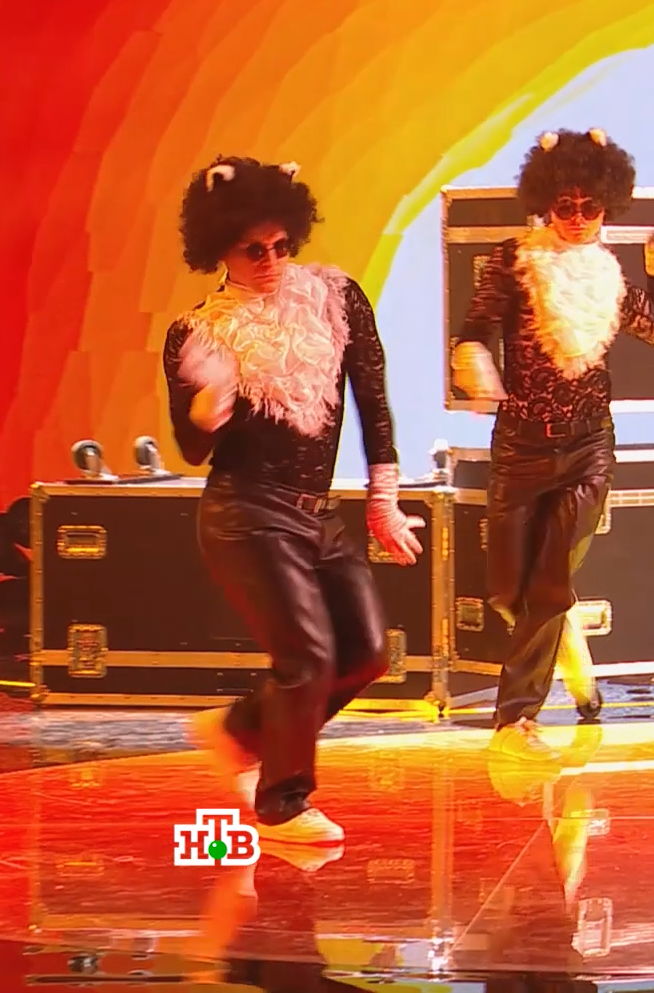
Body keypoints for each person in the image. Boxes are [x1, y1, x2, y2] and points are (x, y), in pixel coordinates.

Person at [169, 156, 422, 846]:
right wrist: (207, 408)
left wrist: (384, 501)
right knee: (307, 659)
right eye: (253, 250)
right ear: (220, 249)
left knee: (366, 654)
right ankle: (281, 804)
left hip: (319, 514)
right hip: (246, 514)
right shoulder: (199, 332)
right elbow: (190, 449)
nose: (272, 261)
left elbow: (373, 403)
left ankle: (239, 730)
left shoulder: (336, 299)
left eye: (281, 245)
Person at [451, 128, 654, 761]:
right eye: (566, 206)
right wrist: (474, 362)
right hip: (520, 450)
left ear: (609, 205)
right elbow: (474, 328)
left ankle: (515, 719)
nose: (578, 218)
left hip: (588, 449)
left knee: (549, 584)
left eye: (591, 207)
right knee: (508, 593)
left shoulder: (608, 274)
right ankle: (565, 636)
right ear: (544, 203)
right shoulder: (513, 260)